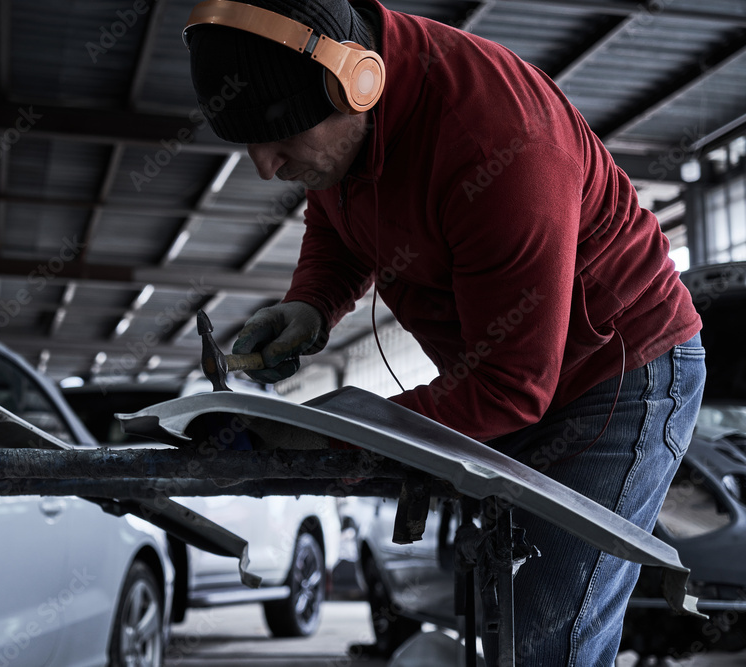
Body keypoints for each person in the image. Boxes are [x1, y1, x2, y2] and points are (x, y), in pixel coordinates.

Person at [184, 0, 706, 664]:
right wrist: (313, 304)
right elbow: (339, 213)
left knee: (547, 639)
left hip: (619, 375)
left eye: (282, 136)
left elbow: (510, 389)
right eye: (249, 142)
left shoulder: (500, 142)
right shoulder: (346, 133)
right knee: (501, 619)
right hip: (518, 377)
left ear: (359, 81)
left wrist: (337, 430)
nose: (265, 166)